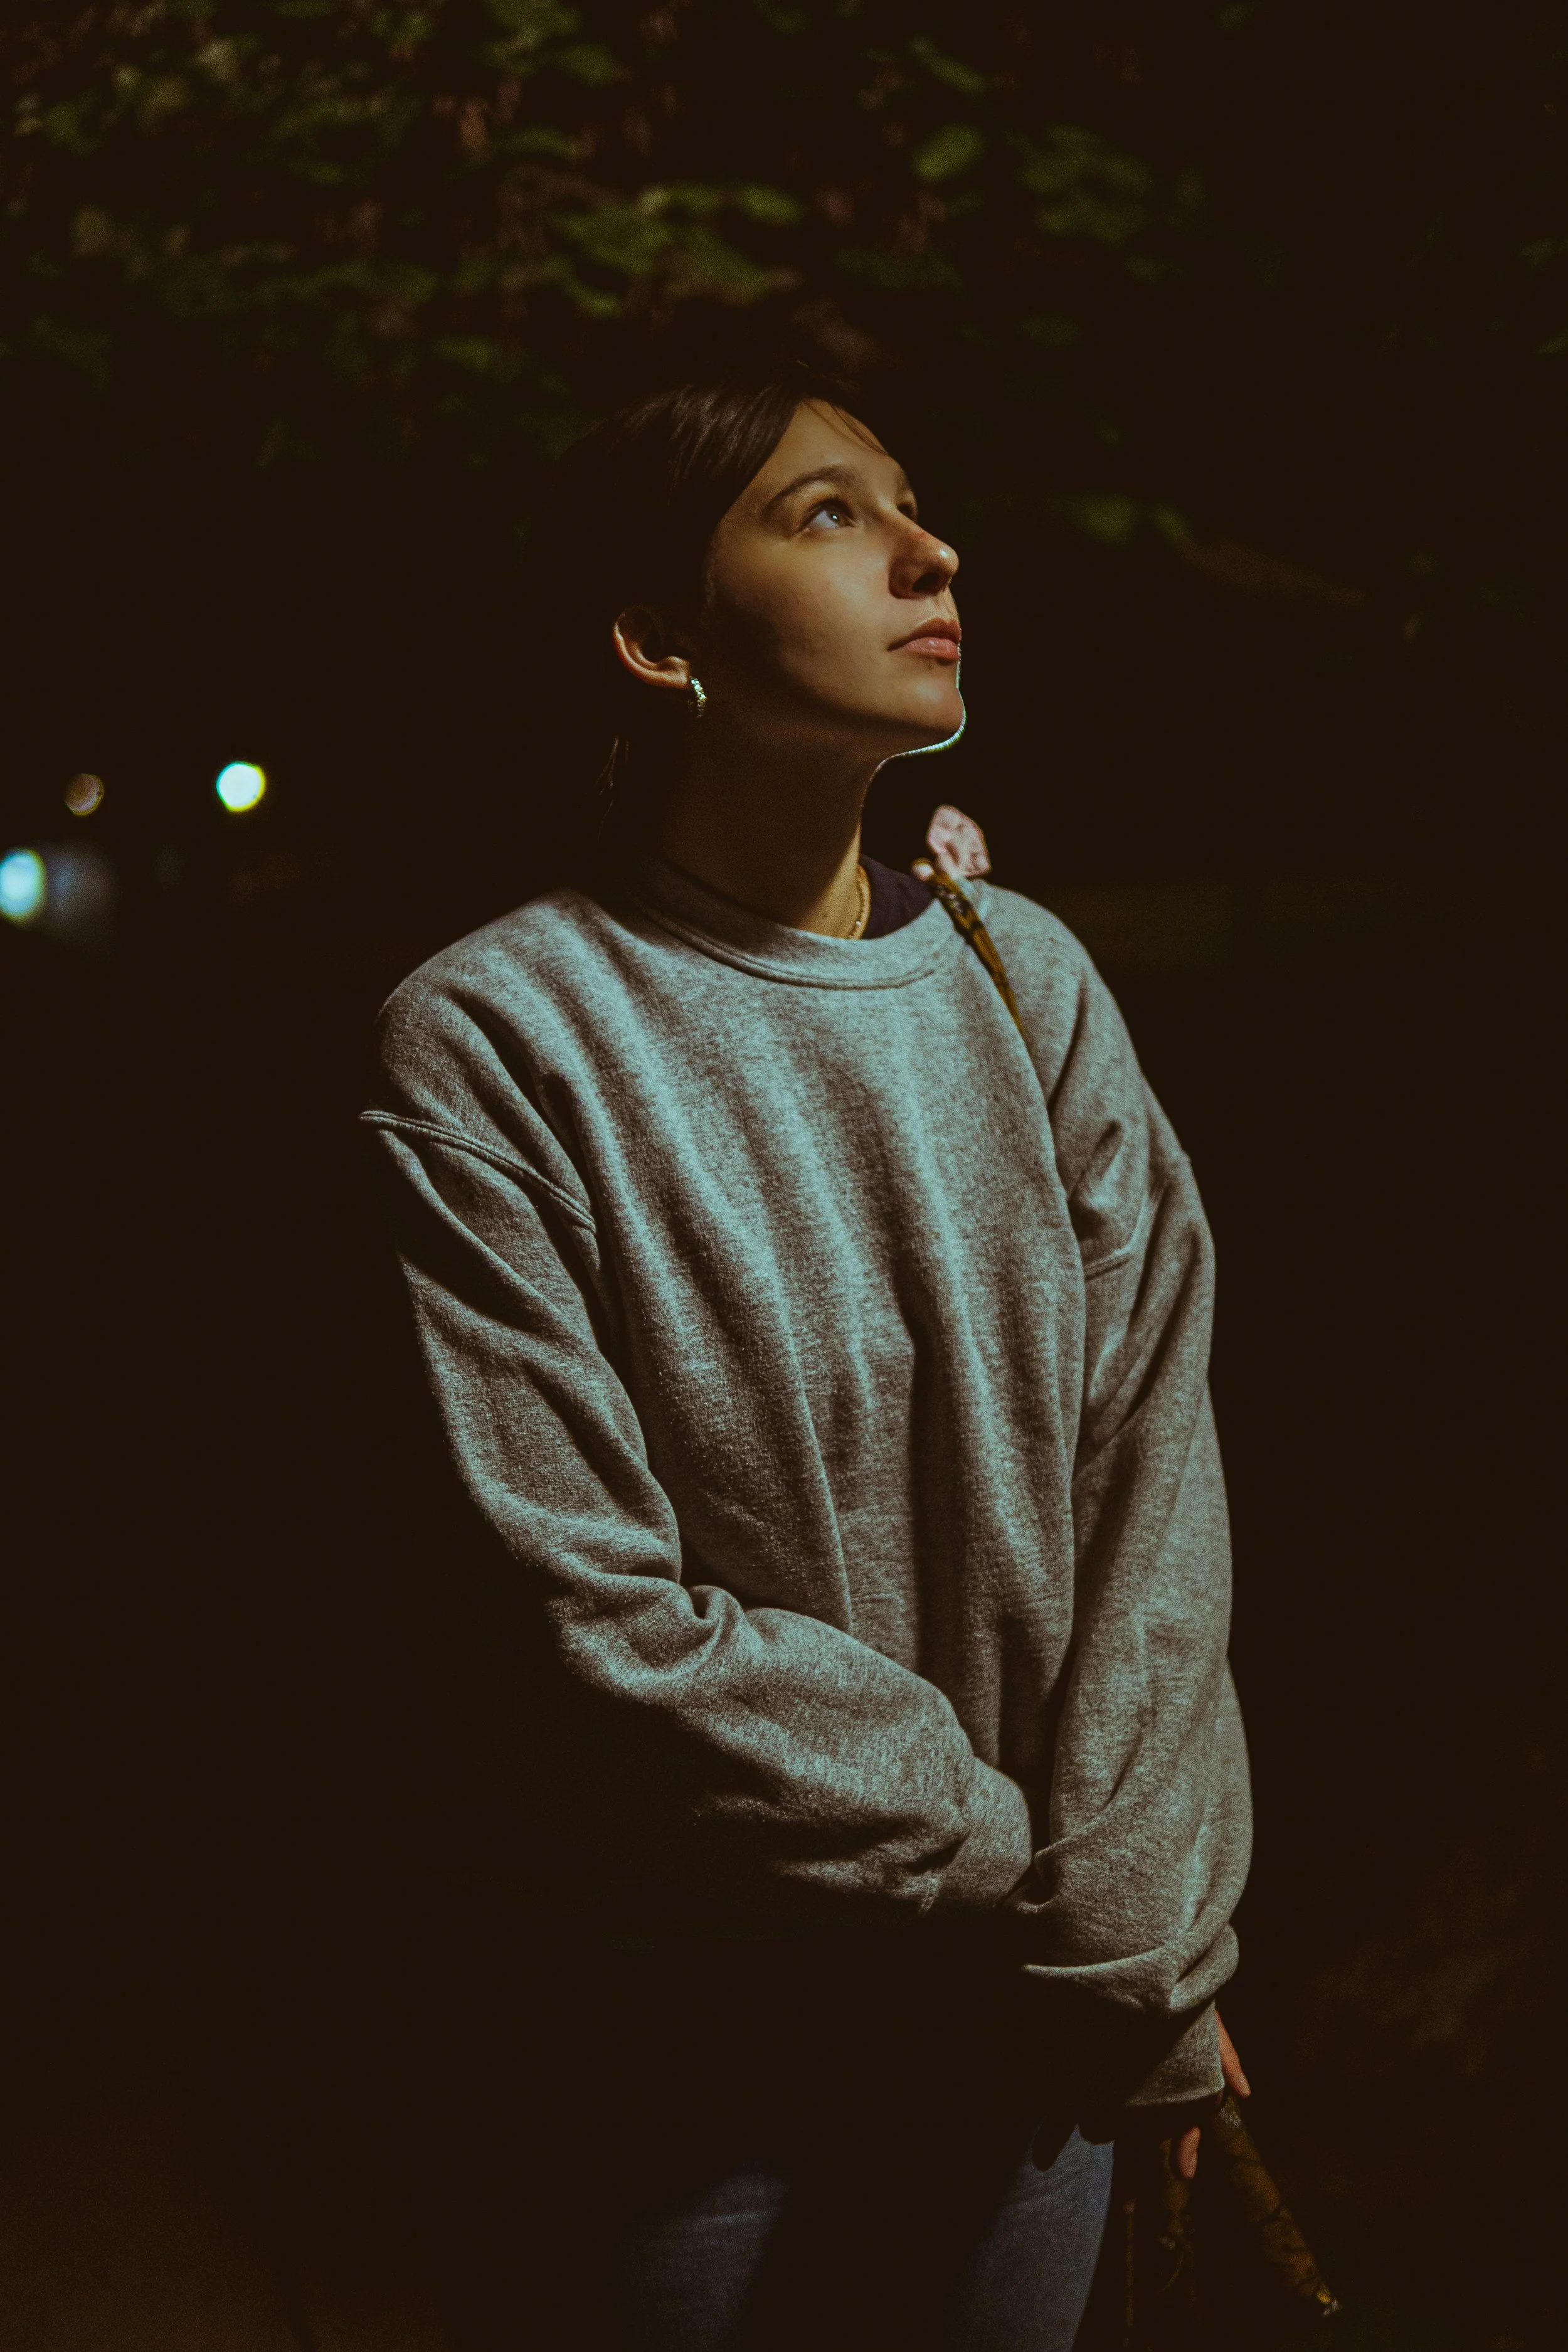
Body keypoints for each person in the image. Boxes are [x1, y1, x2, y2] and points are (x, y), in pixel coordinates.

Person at [361, 371, 1253, 2351]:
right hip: (673, 2053)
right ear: (656, 633)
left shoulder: (1026, 980)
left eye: (913, 505)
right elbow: (577, 1617)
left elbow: (1152, 1482)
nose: (931, 554)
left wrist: (1142, 1936)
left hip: (1022, 2040)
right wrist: (1044, 1877)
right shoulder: (495, 1040)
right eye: (829, 513)